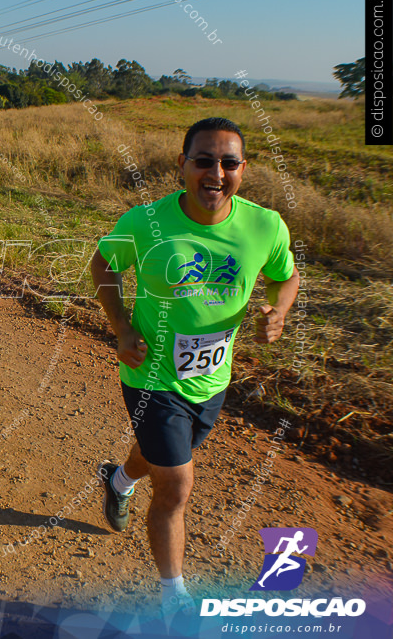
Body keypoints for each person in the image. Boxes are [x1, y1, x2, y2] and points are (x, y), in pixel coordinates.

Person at [91, 117, 300, 616]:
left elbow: (284, 277)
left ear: (242, 169)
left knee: (164, 457)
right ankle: (174, 600)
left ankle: (118, 479)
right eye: (204, 160)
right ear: (181, 165)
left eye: (229, 162)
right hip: (151, 376)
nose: (216, 172)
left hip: (212, 379)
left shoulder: (264, 226)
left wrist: (280, 312)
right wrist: (122, 329)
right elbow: (103, 265)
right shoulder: (146, 223)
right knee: (177, 484)